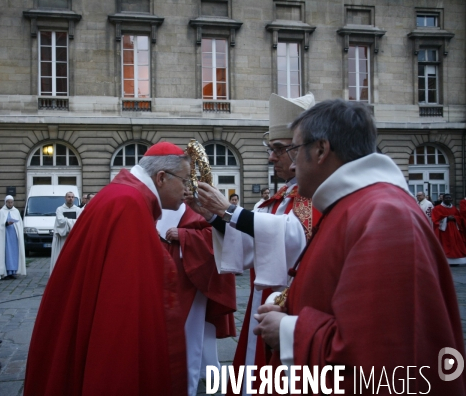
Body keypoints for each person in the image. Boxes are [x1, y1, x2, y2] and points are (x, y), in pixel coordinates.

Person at [253, 99, 466, 394]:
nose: (290, 162)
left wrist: (288, 331)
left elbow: (378, 354)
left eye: (293, 150)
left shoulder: (385, 215)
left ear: (320, 150)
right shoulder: (356, 204)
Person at [24, 142, 191, 395]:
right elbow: (119, 313)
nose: (187, 189)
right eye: (185, 180)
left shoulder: (123, 195)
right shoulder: (130, 204)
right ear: (161, 177)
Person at [189, 93, 320, 394]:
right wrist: (214, 217)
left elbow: (294, 238)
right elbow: (250, 242)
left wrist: (230, 210)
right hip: (263, 302)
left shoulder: (316, 196)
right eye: (270, 149)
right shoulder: (276, 198)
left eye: (277, 149)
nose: (270, 157)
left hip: (296, 305)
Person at [157, 203, 236, 395]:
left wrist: (184, 236)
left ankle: (189, 384)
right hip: (159, 277)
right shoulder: (153, 207)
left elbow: (218, 236)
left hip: (191, 280)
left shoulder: (198, 209)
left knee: (192, 334)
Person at [0, 195, 26, 279]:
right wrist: (6, 223)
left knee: (14, 253)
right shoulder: (1, 212)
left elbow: (19, 224)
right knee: (6, 252)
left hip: (14, 236)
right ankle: (6, 271)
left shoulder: (16, 211)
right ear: (5, 202)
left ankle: (13, 271)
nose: (10, 204)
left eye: (12, 202)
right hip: (5, 236)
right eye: (8, 202)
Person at [49, 191, 81, 274]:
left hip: (72, 237)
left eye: (72, 197)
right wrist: (72, 222)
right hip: (62, 237)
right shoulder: (60, 209)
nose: (71, 199)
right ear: (65, 198)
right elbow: (60, 221)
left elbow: (79, 222)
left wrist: (67, 220)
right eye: (69, 197)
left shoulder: (78, 210)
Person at [432, 193, 466, 265]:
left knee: (455, 244)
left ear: (451, 199)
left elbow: (459, 217)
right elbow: (435, 219)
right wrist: (446, 218)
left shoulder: (454, 208)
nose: (448, 199)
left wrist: (455, 218)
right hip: (443, 230)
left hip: (454, 229)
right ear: (443, 199)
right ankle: (445, 260)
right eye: (446, 198)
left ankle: (456, 260)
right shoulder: (437, 208)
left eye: (449, 198)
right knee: (444, 244)